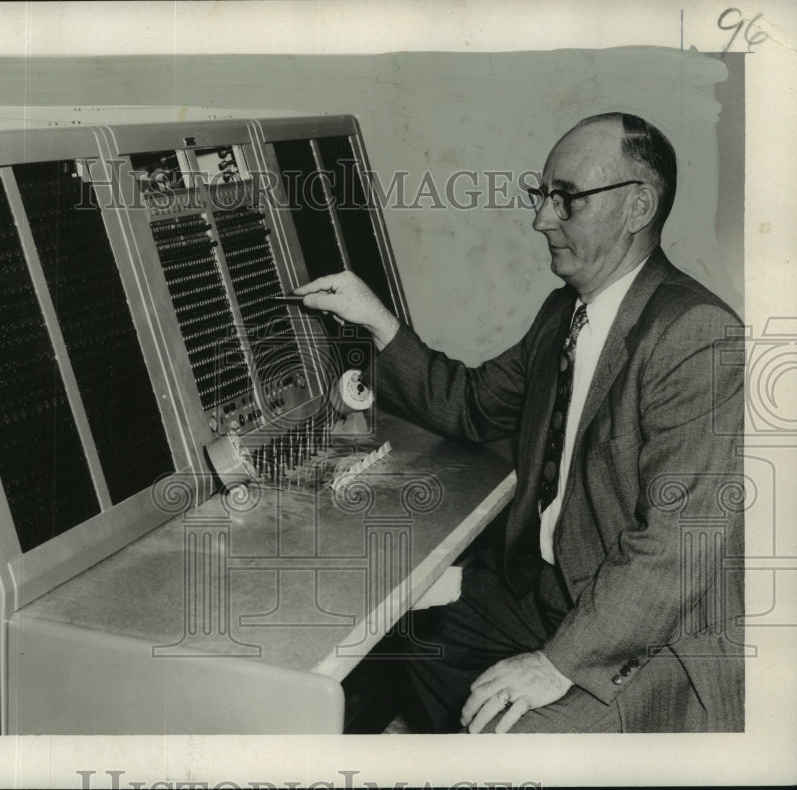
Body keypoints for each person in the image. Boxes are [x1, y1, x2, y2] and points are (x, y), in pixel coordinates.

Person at [293, 113, 745, 733]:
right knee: (402, 634)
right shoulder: (566, 313)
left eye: (566, 199)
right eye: (542, 197)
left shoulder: (698, 335)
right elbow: (471, 404)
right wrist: (378, 322)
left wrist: (557, 663)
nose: (541, 219)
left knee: (520, 737)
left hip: (652, 638)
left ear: (638, 206)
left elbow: (676, 549)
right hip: (553, 594)